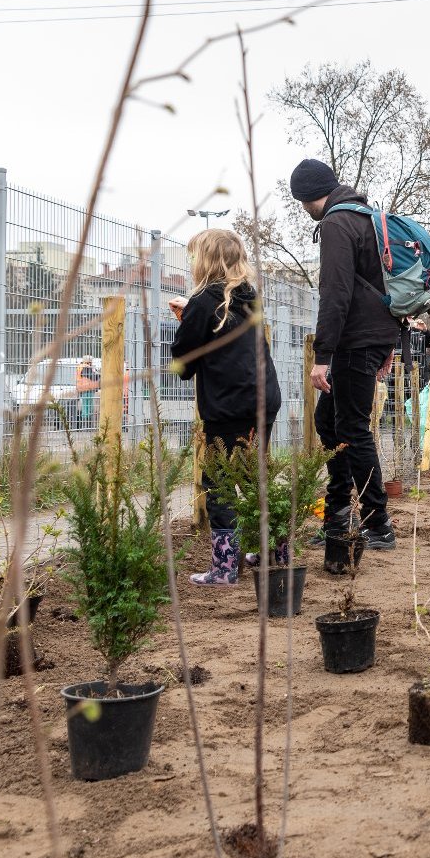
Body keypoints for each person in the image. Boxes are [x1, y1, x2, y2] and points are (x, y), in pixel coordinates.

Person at [292, 157, 400, 552]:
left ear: (306, 197)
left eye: (302, 203)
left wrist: (323, 356)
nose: (304, 211)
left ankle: (378, 524)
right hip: (371, 338)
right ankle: (338, 515)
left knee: (352, 429)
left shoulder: (337, 223)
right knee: (328, 421)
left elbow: (335, 294)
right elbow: (386, 287)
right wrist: (388, 343)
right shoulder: (366, 217)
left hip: (354, 342)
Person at [168, 228, 283, 586]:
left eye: (192, 257)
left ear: (205, 261)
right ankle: (273, 552)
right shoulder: (249, 297)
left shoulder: (203, 302)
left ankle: (224, 566)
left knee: (217, 480)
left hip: (229, 404)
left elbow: (184, 363)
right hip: (264, 398)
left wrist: (186, 322)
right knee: (253, 477)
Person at [76, 357, 100, 425]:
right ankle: (86, 425)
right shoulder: (86, 367)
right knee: (88, 407)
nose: (92, 362)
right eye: (91, 361)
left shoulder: (80, 367)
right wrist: (99, 375)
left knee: (86, 406)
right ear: (89, 361)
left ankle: (85, 424)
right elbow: (92, 377)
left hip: (83, 388)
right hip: (87, 388)